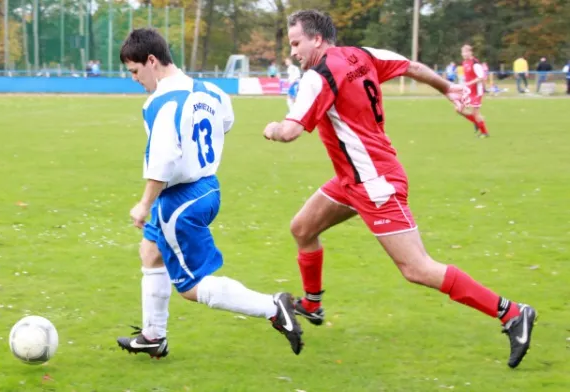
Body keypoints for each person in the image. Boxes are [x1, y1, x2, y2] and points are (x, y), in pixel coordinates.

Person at [262, 9, 536, 369]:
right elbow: (412, 67)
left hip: (374, 182)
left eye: (296, 43)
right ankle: (312, 305)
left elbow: (291, 131)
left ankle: (512, 313)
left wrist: (271, 128)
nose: (294, 51)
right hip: (353, 178)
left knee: (417, 268)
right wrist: (449, 87)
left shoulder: (319, 76)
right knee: (303, 228)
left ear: (316, 39)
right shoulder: (363, 54)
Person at [115, 28, 303, 358]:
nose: (134, 79)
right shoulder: (212, 92)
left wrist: (144, 203)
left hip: (179, 201)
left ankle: (273, 306)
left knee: (190, 287)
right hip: (207, 188)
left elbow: (164, 158)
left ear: (152, 61)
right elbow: (225, 123)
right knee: (151, 251)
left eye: (134, 71)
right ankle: (153, 335)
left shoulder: (159, 103)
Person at [459, 45, 489, 137]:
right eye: (463, 52)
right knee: (459, 109)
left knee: (476, 113)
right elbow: (467, 77)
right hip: (468, 91)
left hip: (477, 91)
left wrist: (469, 83)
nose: (464, 54)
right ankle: (476, 122)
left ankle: (484, 132)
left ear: (470, 52)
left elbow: (481, 77)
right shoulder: (464, 63)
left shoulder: (475, 63)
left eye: (466, 52)